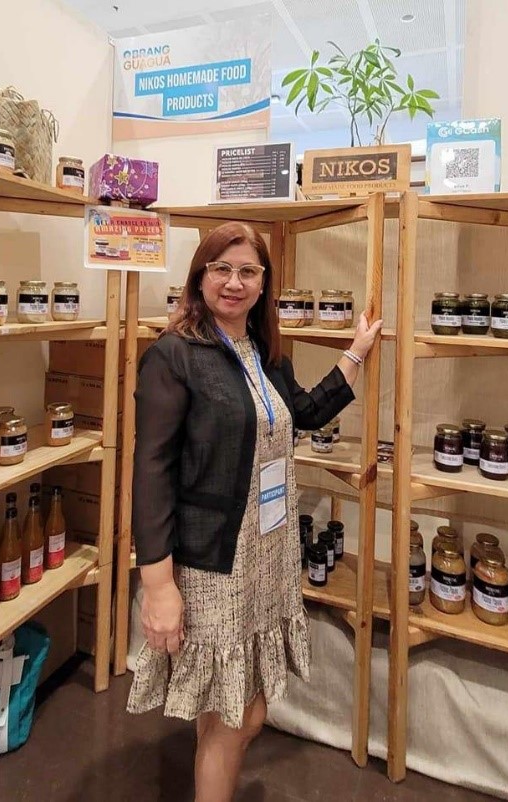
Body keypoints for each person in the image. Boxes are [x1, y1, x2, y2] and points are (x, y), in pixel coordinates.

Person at [127, 221, 383, 801]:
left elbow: (308, 414)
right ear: (200, 277)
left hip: (267, 556)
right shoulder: (174, 357)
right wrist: (159, 585)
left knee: (237, 709)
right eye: (222, 269)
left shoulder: (265, 355)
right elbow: (151, 475)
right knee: (238, 714)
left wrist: (356, 353)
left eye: (248, 271)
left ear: (265, 283)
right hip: (213, 563)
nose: (234, 282)